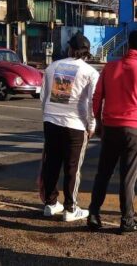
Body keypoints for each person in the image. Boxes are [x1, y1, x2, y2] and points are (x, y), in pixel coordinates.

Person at [89, 30, 137, 234]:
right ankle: (127, 220)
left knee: (103, 173)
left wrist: (99, 121)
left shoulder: (110, 67)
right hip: (134, 130)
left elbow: (97, 97)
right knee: (127, 177)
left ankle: (94, 214)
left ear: (128, 46)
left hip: (111, 127)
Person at [39, 34, 99, 222]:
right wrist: (92, 125)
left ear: (70, 49)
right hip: (75, 125)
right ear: (87, 53)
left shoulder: (52, 67)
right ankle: (70, 208)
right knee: (73, 167)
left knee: (51, 164)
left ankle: (50, 203)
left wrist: (47, 116)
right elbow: (92, 103)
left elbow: (44, 96)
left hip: (51, 121)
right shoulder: (90, 72)